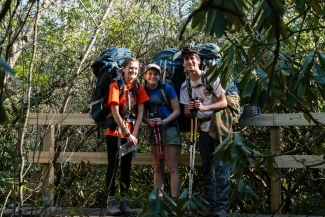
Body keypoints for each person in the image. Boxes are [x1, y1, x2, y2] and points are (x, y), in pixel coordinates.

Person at [179, 47, 230, 217]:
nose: (189, 61)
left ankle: (221, 207)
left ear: (199, 61)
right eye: (186, 59)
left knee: (221, 167)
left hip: (219, 127)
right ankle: (210, 205)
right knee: (207, 168)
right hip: (201, 128)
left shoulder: (211, 77)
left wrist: (204, 107)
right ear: (183, 64)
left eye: (192, 58)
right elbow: (186, 112)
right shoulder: (185, 85)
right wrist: (191, 108)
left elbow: (223, 102)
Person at [105, 57, 149, 216]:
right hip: (114, 133)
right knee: (113, 165)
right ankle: (111, 201)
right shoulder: (115, 85)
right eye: (130, 68)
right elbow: (115, 112)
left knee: (126, 167)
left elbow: (141, 112)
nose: (134, 71)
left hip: (131, 135)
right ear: (123, 69)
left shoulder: (138, 87)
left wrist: (134, 134)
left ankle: (124, 200)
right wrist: (127, 133)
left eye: (136, 69)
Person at [142, 63, 182, 200]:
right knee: (157, 167)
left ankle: (174, 200)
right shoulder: (143, 91)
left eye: (156, 74)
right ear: (145, 75)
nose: (153, 76)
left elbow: (177, 111)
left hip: (169, 129)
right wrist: (149, 121)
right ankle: (158, 201)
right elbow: (141, 114)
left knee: (172, 166)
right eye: (150, 74)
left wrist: (164, 121)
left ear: (159, 76)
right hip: (153, 131)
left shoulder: (167, 88)